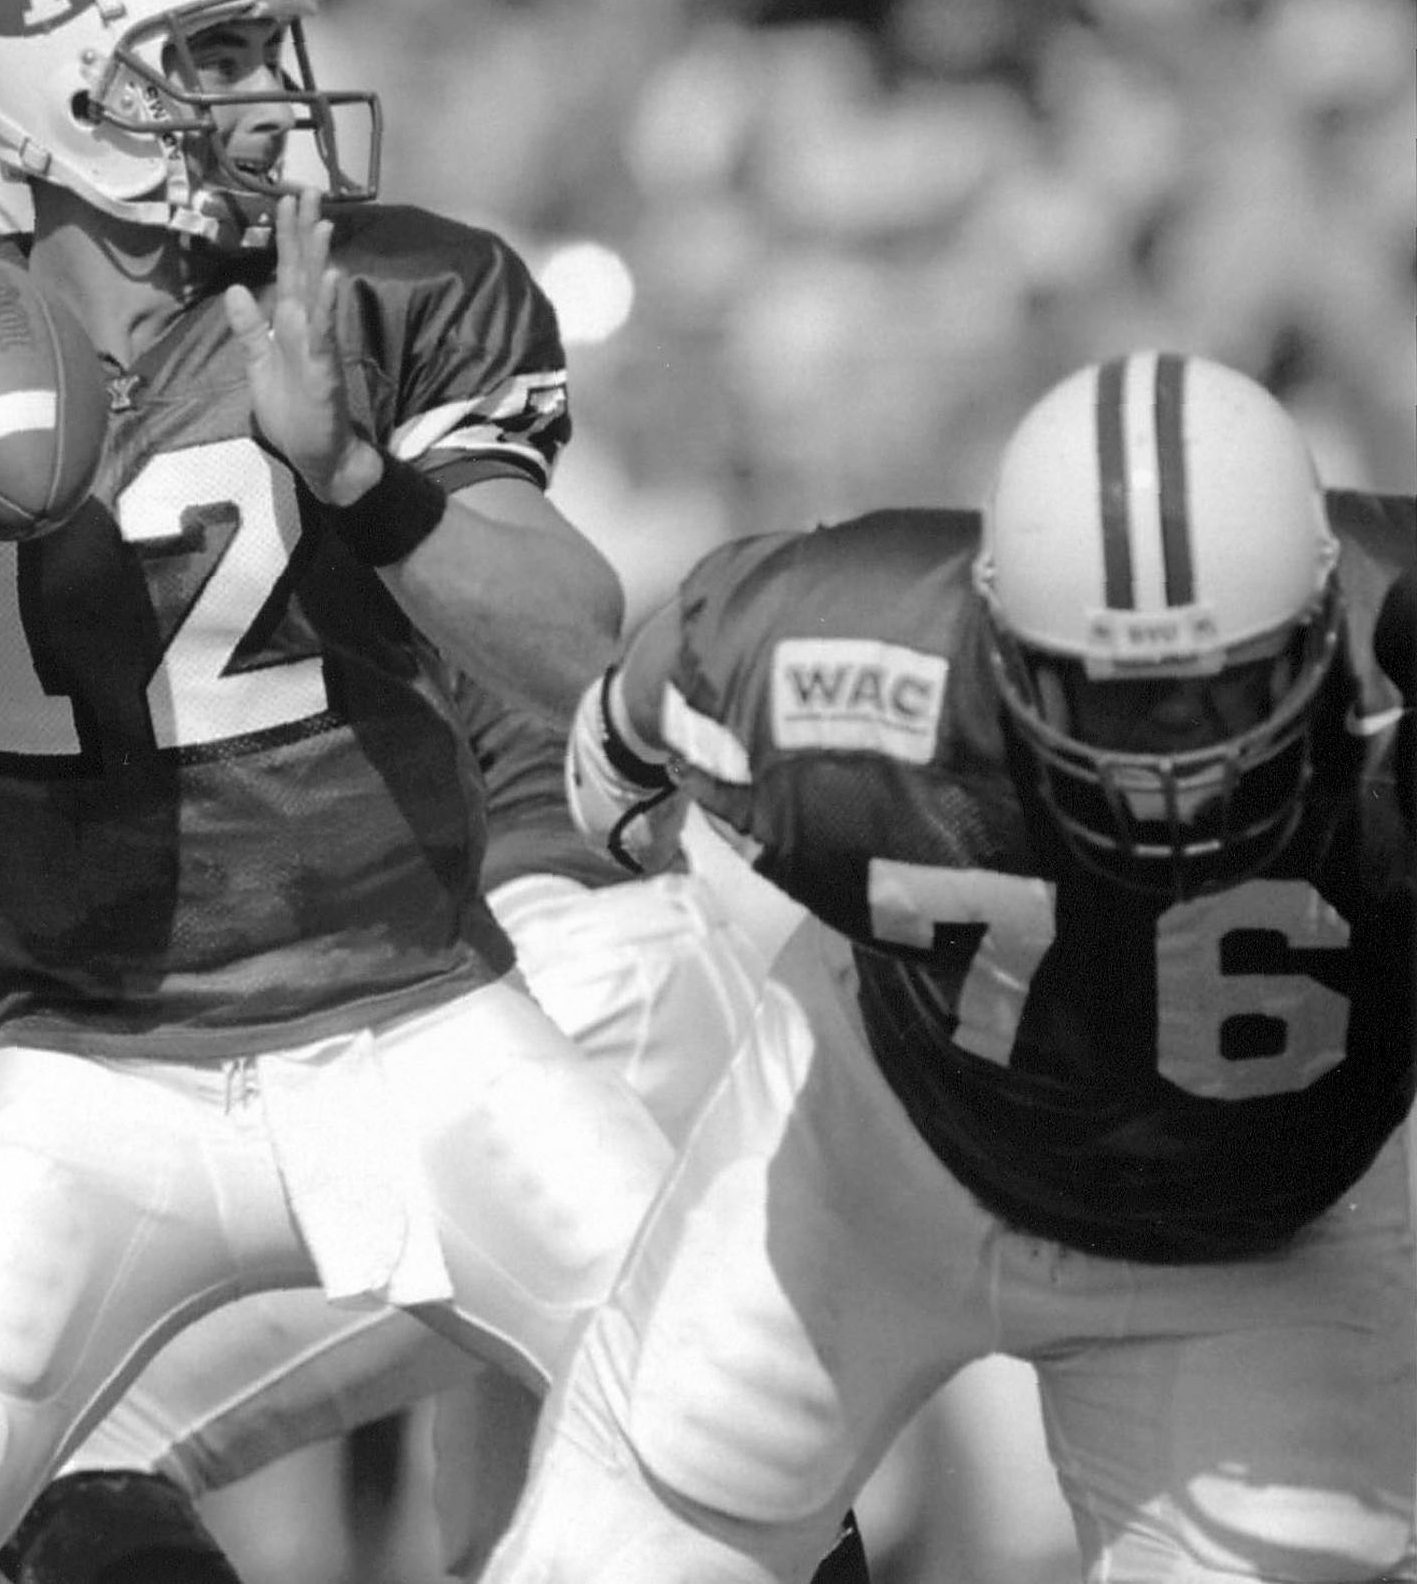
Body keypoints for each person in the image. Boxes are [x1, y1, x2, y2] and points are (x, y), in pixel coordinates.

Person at [0, 0, 668, 1584]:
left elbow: (573, 645)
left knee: (732, 1436)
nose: (267, 98)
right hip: (85, 1066)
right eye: (208, 60)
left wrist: (358, 472)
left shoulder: (372, 295)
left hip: (420, 1017)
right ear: (78, 94)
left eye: (258, 50)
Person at [498, 350, 1414, 1583]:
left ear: (1324, 618)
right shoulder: (833, 651)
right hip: (885, 1149)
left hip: (1256, 1247)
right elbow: (626, 747)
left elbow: (620, 757)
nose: (1168, 764)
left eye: (1217, 693)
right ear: (996, 632)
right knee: (644, 1541)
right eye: (1109, 698)